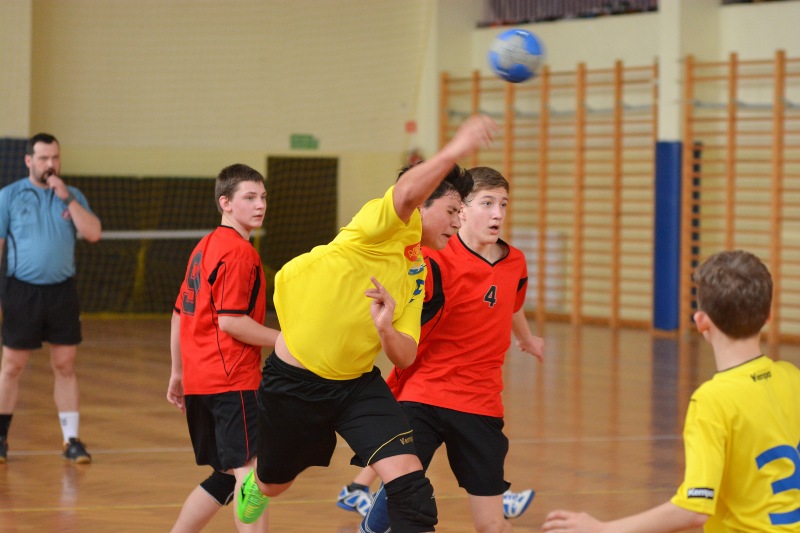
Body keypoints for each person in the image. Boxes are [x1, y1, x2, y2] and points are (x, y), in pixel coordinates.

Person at [235, 114, 497, 532]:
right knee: (274, 483)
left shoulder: (418, 269)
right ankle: (258, 484)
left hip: (356, 386)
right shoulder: (384, 225)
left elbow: (405, 355)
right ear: (423, 206)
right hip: (295, 384)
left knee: (411, 485)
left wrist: (387, 328)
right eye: (451, 210)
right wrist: (456, 149)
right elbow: (407, 191)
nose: (457, 222)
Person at [541, 250, 800, 533]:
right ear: (768, 315)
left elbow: (695, 508)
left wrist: (604, 529)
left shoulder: (713, 400)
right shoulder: (792, 378)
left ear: (701, 322)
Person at [360, 166, 545, 533]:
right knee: (402, 492)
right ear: (462, 209)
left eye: (503, 204)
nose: (497, 213)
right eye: (487, 203)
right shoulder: (433, 259)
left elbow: (510, 304)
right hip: (424, 393)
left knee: (491, 525)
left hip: (480, 401)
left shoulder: (515, 262)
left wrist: (525, 338)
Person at [167, 164, 280, 532]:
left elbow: (179, 315)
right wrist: (284, 340)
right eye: (250, 197)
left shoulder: (204, 247)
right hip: (232, 382)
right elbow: (231, 322)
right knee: (251, 475)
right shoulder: (239, 252)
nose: (260, 205)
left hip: (200, 382)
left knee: (227, 476)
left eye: (263, 197)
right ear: (225, 203)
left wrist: (178, 372)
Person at [0, 133, 102, 464]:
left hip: (61, 292)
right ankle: (1, 439)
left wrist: (66, 197)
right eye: (43, 158)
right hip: (22, 291)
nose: (50, 164)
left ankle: (71, 440)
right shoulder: (9, 196)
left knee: (65, 364)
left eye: (55, 157)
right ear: (29, 161)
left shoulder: (72, 195)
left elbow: (93, 233)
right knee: (12, 366)